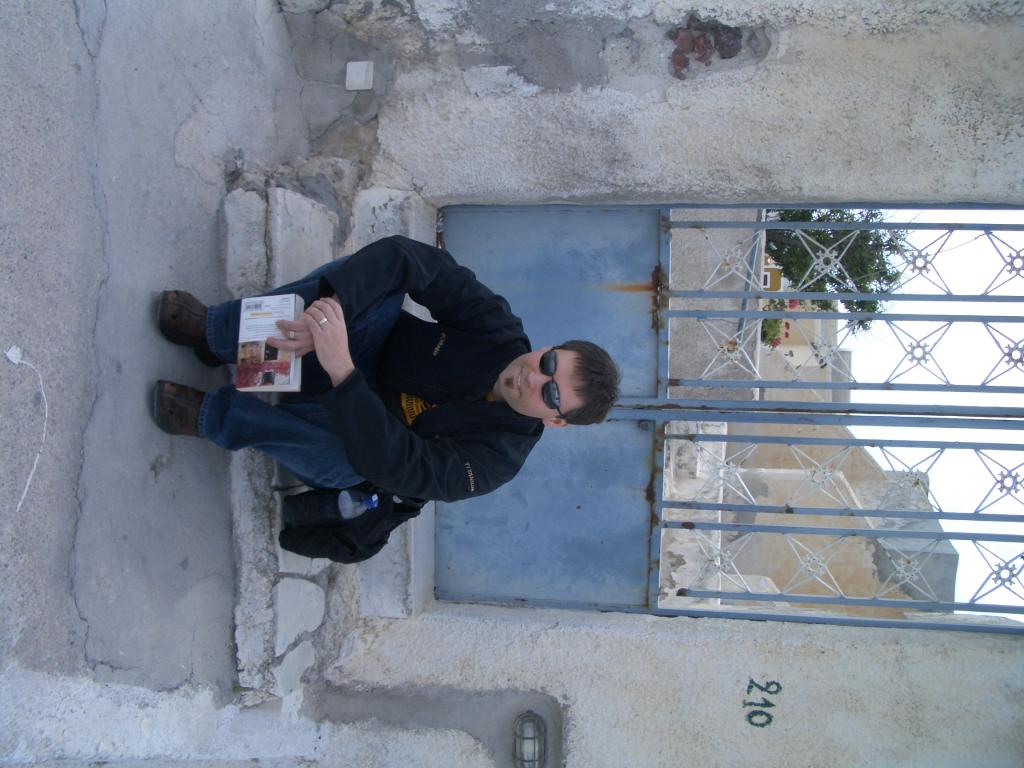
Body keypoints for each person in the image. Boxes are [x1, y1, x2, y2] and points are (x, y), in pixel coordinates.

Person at [153, 235, 620, 560]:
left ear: (556, 421)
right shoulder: (498, 329)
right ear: (549, 347)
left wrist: (341, 370)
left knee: (355, 464)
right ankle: (217, 335)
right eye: (549, 362)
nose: (533, 377)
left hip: (338, 432)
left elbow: (399, 467)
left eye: (551, 393)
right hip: (332, 355)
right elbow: (410, 259)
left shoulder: (496, 463)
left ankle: (213, 416)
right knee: (368, 289)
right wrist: (332, 316)